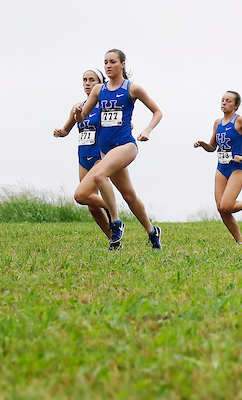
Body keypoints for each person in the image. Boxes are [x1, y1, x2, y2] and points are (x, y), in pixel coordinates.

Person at [73, 49, 164, 250]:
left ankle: (115, 222)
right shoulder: (98, 90)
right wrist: (78, 114)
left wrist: (147, 130)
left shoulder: (132, 89)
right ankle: (152, 231)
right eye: (105, 62)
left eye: (112, 62)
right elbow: (82, 118)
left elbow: (157, 112)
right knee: (127, 195)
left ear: (122, 64)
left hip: (126, 146)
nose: (108, 65)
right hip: (106, 151)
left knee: (99, 175)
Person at [54, 69, 121, 239]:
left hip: (100, 156)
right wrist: (59, 132)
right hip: (83, 158)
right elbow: (66, 130)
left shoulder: (106, 104)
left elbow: (125, 123)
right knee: (91, 205)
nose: (87, 83)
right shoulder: (79, 107)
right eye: (84, 80)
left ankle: (111, 208)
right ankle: (114, 240)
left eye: (92, 80)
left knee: (82, 196)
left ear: (101, 83)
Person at [193, 90, 242, 244]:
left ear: (236, 105)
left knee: (226, 206)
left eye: (228, 101)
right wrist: (203, 144)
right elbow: (213, 147)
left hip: (237, 169)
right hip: (221, 168)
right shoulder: (217, 123)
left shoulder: (240, 121)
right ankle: (240, 243)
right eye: (222, 100)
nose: (224, 103)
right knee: (221, 209)